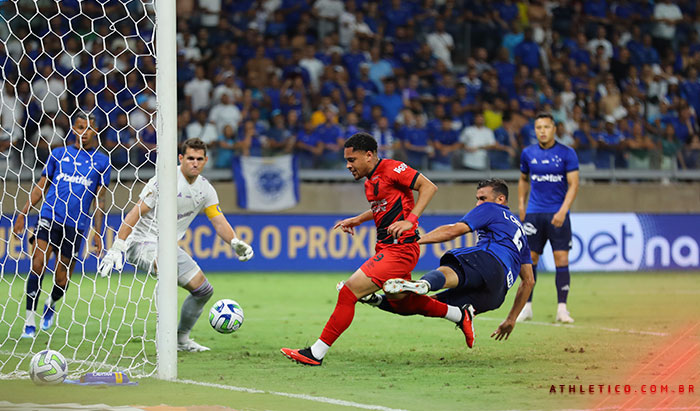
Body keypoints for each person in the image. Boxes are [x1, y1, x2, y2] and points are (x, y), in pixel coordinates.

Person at [281, 133, 474, 366]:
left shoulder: (393, 169)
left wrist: (410, 220)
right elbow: (383, 207)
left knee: (348, 293)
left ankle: (315, 353)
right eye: (347, 160)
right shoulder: (370, 181)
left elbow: (428, 187)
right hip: (387, 247)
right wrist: (358, 219)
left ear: (369, 155)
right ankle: (459, 314)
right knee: (404, 304)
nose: (348, 165)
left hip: (400, 249)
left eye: (352, 159)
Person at [98, 138, 254, 352]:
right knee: (168, 270)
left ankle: (181, 339)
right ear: (181, 158)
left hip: (168, 247)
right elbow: (136, 211)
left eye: (199, 159)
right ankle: (165, 336)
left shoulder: (205, 189)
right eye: (190, 158)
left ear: (206, 160)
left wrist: (234, 241)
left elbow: (217, 219)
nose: (195, 163)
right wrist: (118, 246)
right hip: (142, 243)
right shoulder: (164, 179)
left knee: (203, 291)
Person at [379, 179, 535, 342]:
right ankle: (377, 300)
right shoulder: (521, 232)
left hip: (489, 262)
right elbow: (529, 281)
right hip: (496, 294)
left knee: (452, 269)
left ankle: (425, 284)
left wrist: (416, 240)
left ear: (500, 199)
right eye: (477, 198)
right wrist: (511, 319)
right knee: (426, 304)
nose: (478, 204)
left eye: (482, 198)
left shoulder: (492, 208)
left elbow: (453, 231)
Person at [13, 112, 111, 339]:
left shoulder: (102, 162)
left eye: (88, 128)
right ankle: (29, 321)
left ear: (95, 131)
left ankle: (51, 302)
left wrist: (97, 231)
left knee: (61, 279)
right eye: (79, 127)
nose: (83, 132)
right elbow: (41, 186)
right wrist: (23, 213)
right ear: (72, 129)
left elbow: (101, 199)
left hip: (75, 226)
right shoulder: (58, 154)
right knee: (38, 264)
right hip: (49, 217)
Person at [517, 113, 579, 323]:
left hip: (557, 214)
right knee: (529, 260)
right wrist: (521, 205)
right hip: (534, 214)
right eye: (538, 127)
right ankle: (526, 307)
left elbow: (574, 185)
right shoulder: (527, 153)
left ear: (554, 129)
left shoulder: (567, 153)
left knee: (561, 259)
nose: (542, 131)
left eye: (546, 127)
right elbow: (523, 180)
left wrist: (563, 211)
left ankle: (562, 309)